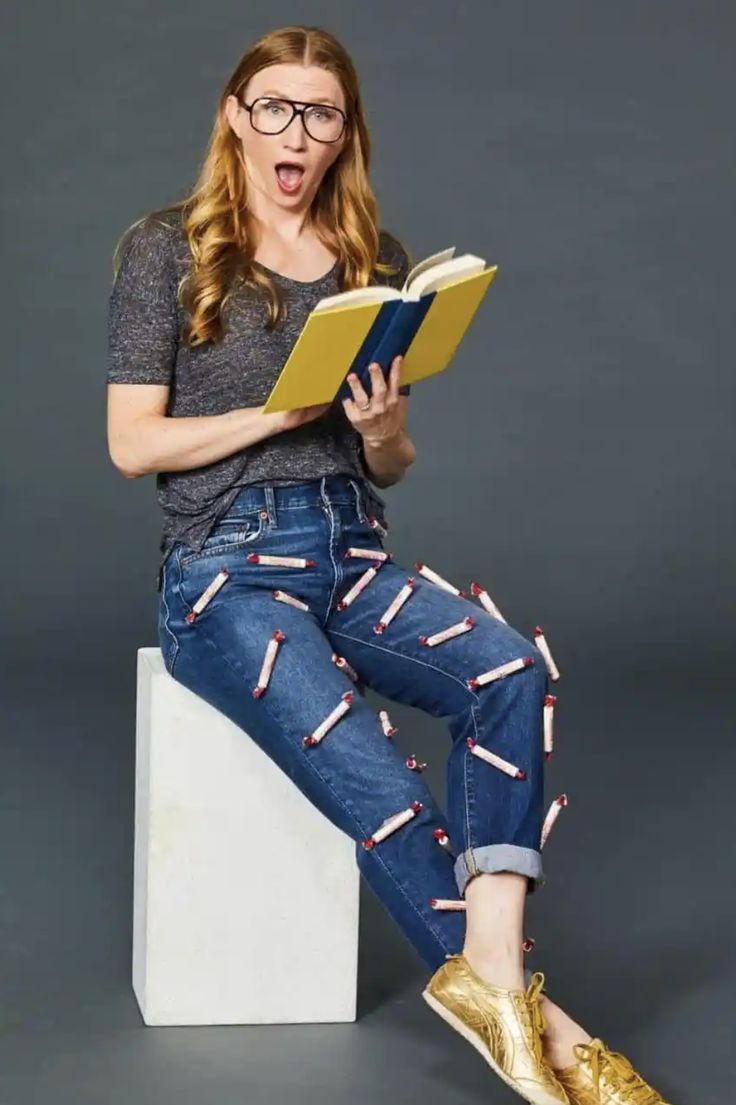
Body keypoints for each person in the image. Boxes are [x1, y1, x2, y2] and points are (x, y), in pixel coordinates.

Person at [106, 24, 671, 1105]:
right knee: (378, 779)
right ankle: (543, 1027)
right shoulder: (167, 248)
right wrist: (280, 410)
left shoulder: (377, 261)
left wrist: (378, 428)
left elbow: (394, 466)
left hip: (351, 546)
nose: (297, 133)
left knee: (509, 670)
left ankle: (493, 972)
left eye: (320, 113)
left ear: (342, 131)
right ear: (235, 112)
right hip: (223, 570)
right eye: (274, 106)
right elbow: (133, 444)